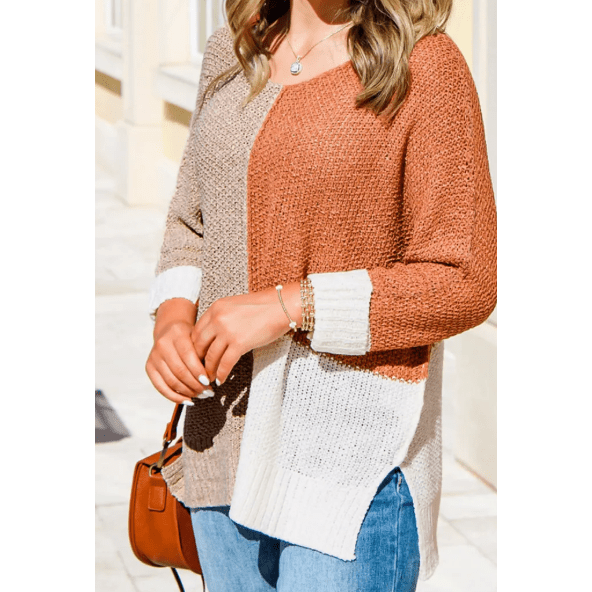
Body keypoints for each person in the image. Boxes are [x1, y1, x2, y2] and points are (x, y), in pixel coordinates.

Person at [145, 0, 497, 590]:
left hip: (348, 466)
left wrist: (291, 306)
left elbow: (465, 279)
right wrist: (172, 322)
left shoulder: (424, 65)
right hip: (219, 445)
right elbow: (191, 219)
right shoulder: (234, 50)